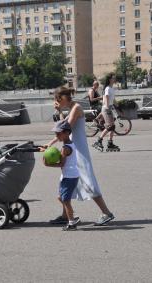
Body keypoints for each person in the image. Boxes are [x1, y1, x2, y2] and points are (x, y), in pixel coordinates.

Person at [45, 86, 115, 226]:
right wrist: (60, 112)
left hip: (79, 151)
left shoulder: (76, 108)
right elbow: (64, 128)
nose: (57, 102)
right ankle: (66, 214)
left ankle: (106, 213)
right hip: (73, 148)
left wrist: (52, 140)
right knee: (65, 179)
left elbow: (65, 127)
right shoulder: (72, 108)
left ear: (63, 98)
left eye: (57, 99)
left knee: (88, 181)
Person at [42, 120, 81, 231]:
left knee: (66, 200)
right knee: (61, 198)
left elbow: (61, 163)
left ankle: (72, 222)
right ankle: (72, 215)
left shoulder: (65, 148)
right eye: (56, 134)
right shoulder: (69, 144)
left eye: (59, 133)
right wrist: (47, 150)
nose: (57, 136)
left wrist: (47, 164)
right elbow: (59, 156)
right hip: (71, 175)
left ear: (67, 133)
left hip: (69, 176)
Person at [92, 73, 120, 152]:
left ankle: (110, 143)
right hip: (106, 109)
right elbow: (106, 98)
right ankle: (98, 141)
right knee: (110, 126)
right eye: (113, 78)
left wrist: (118, 105)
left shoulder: (111, 88)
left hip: (109, 108)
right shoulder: (107, 88)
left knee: (112, 126)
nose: (114, 79)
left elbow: (113, 99)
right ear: (110, 79)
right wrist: (108, 106)